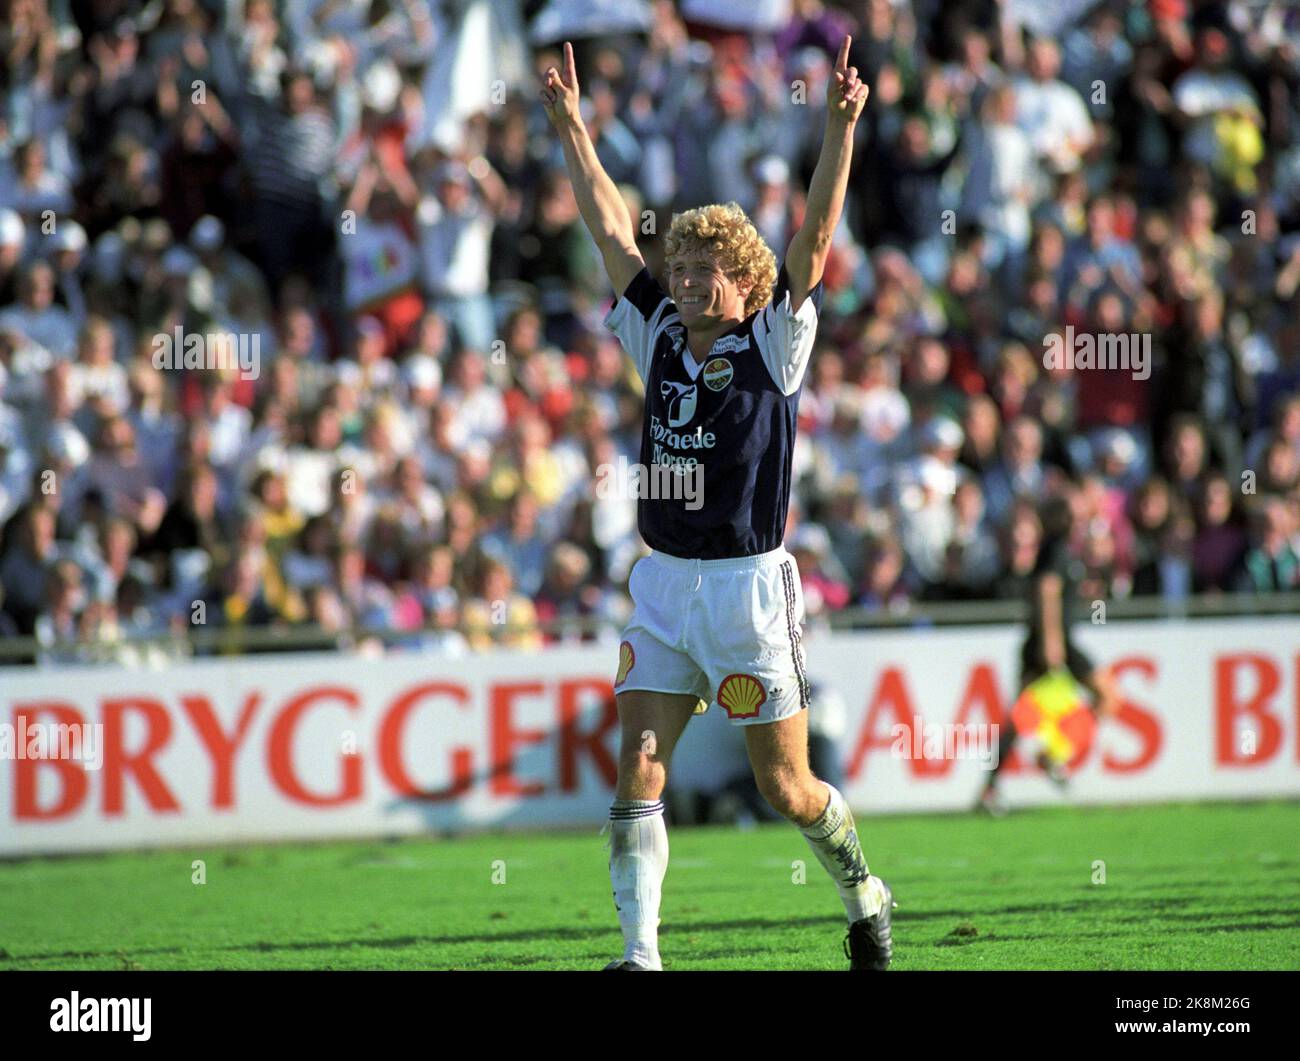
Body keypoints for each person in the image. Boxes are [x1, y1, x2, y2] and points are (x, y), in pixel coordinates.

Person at [541, 37, 892, 972]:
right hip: (662, 586)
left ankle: (864, 892)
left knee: (785, 786)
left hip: (746, 590)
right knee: (638, 768)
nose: (687, 278)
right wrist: (574, 127)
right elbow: (614, 233)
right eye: (683, 263)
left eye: (707, 268)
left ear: (746, 284)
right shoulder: (655, 330)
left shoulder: (776, 344)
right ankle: (640, 953)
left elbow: (814, 241)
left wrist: (840, 129)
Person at [977, 494, 1120, 816]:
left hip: (1059, 641)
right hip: (1051, 644)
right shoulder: (1055, 549)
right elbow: (1047, 591)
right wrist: (1051, 643)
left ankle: (1052, 756)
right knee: (1021, 719)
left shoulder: (1064, 551)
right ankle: (993, 786)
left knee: (1105, 698)